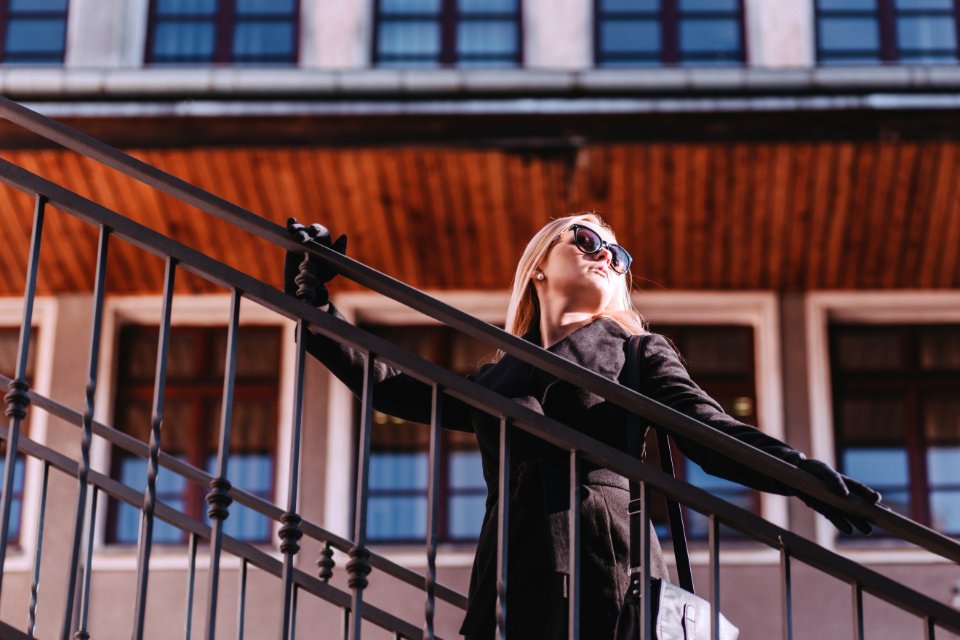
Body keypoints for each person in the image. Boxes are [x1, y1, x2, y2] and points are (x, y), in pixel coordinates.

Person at [283, 213, 881, 640]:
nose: (607, 255)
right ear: (537, 268)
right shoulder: (498, 377)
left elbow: (711, 433)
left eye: (618, 255)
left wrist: (806, 477)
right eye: (589, 238)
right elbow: (391, 385)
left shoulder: (636, 351)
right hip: (510, 576)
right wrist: (313, 303)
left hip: (605, 568)